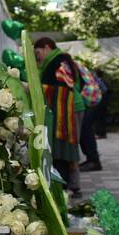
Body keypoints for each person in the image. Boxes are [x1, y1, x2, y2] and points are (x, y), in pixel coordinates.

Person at [34, 37, 84, 195]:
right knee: (66, 145)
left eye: (38, 52)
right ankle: (72, 185)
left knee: (68, 145)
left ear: (47, 47)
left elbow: (63, 87)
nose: (38, 56)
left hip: (69, 108)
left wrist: (33, 88)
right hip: (64, 108)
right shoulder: (57, 60)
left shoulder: (59, 61)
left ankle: (72, 185)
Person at [78, 62, 108, 172]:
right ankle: (92, 159)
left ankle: (93, 161)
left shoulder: (68, 66)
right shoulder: (76, 65)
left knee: (86, 130)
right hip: (91, 101)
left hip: (89, 101)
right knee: (86, 130)